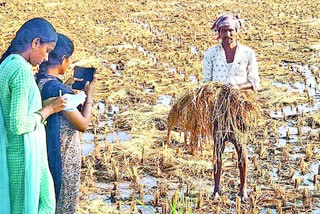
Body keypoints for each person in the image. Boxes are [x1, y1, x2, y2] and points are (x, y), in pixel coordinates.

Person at [0, 18, 67, 214]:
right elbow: (18, 124)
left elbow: (12, 108)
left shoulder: (6, 65)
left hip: (11, 152)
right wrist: (48, 111)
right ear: (35, 43)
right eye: (46, 51)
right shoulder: (20, 69)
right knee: (37, 207)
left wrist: (46, 105)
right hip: (23, 156)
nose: (46, 58)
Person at [36, 34, 96, 214]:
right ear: (63, 59)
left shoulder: (40, 80)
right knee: (62, 206)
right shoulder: (59, 90)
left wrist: (67, 86)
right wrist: (90, 95)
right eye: (69, 59)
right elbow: (83, 124)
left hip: (46, 152)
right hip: (63, 159)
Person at [203, 14, 260, 200]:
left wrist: (236, 88)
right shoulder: (211, 54)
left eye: (231, 30)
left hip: (239, 109)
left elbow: (254, 82)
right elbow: (206, 83)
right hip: (219, 109)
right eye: (223, 30)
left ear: (237, 32)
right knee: (217, 149)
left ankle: (243, 189)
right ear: (218, 33)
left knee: (241, 148)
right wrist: (213, 97)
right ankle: (217, 189)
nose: (228, 34)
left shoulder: (247, 53)